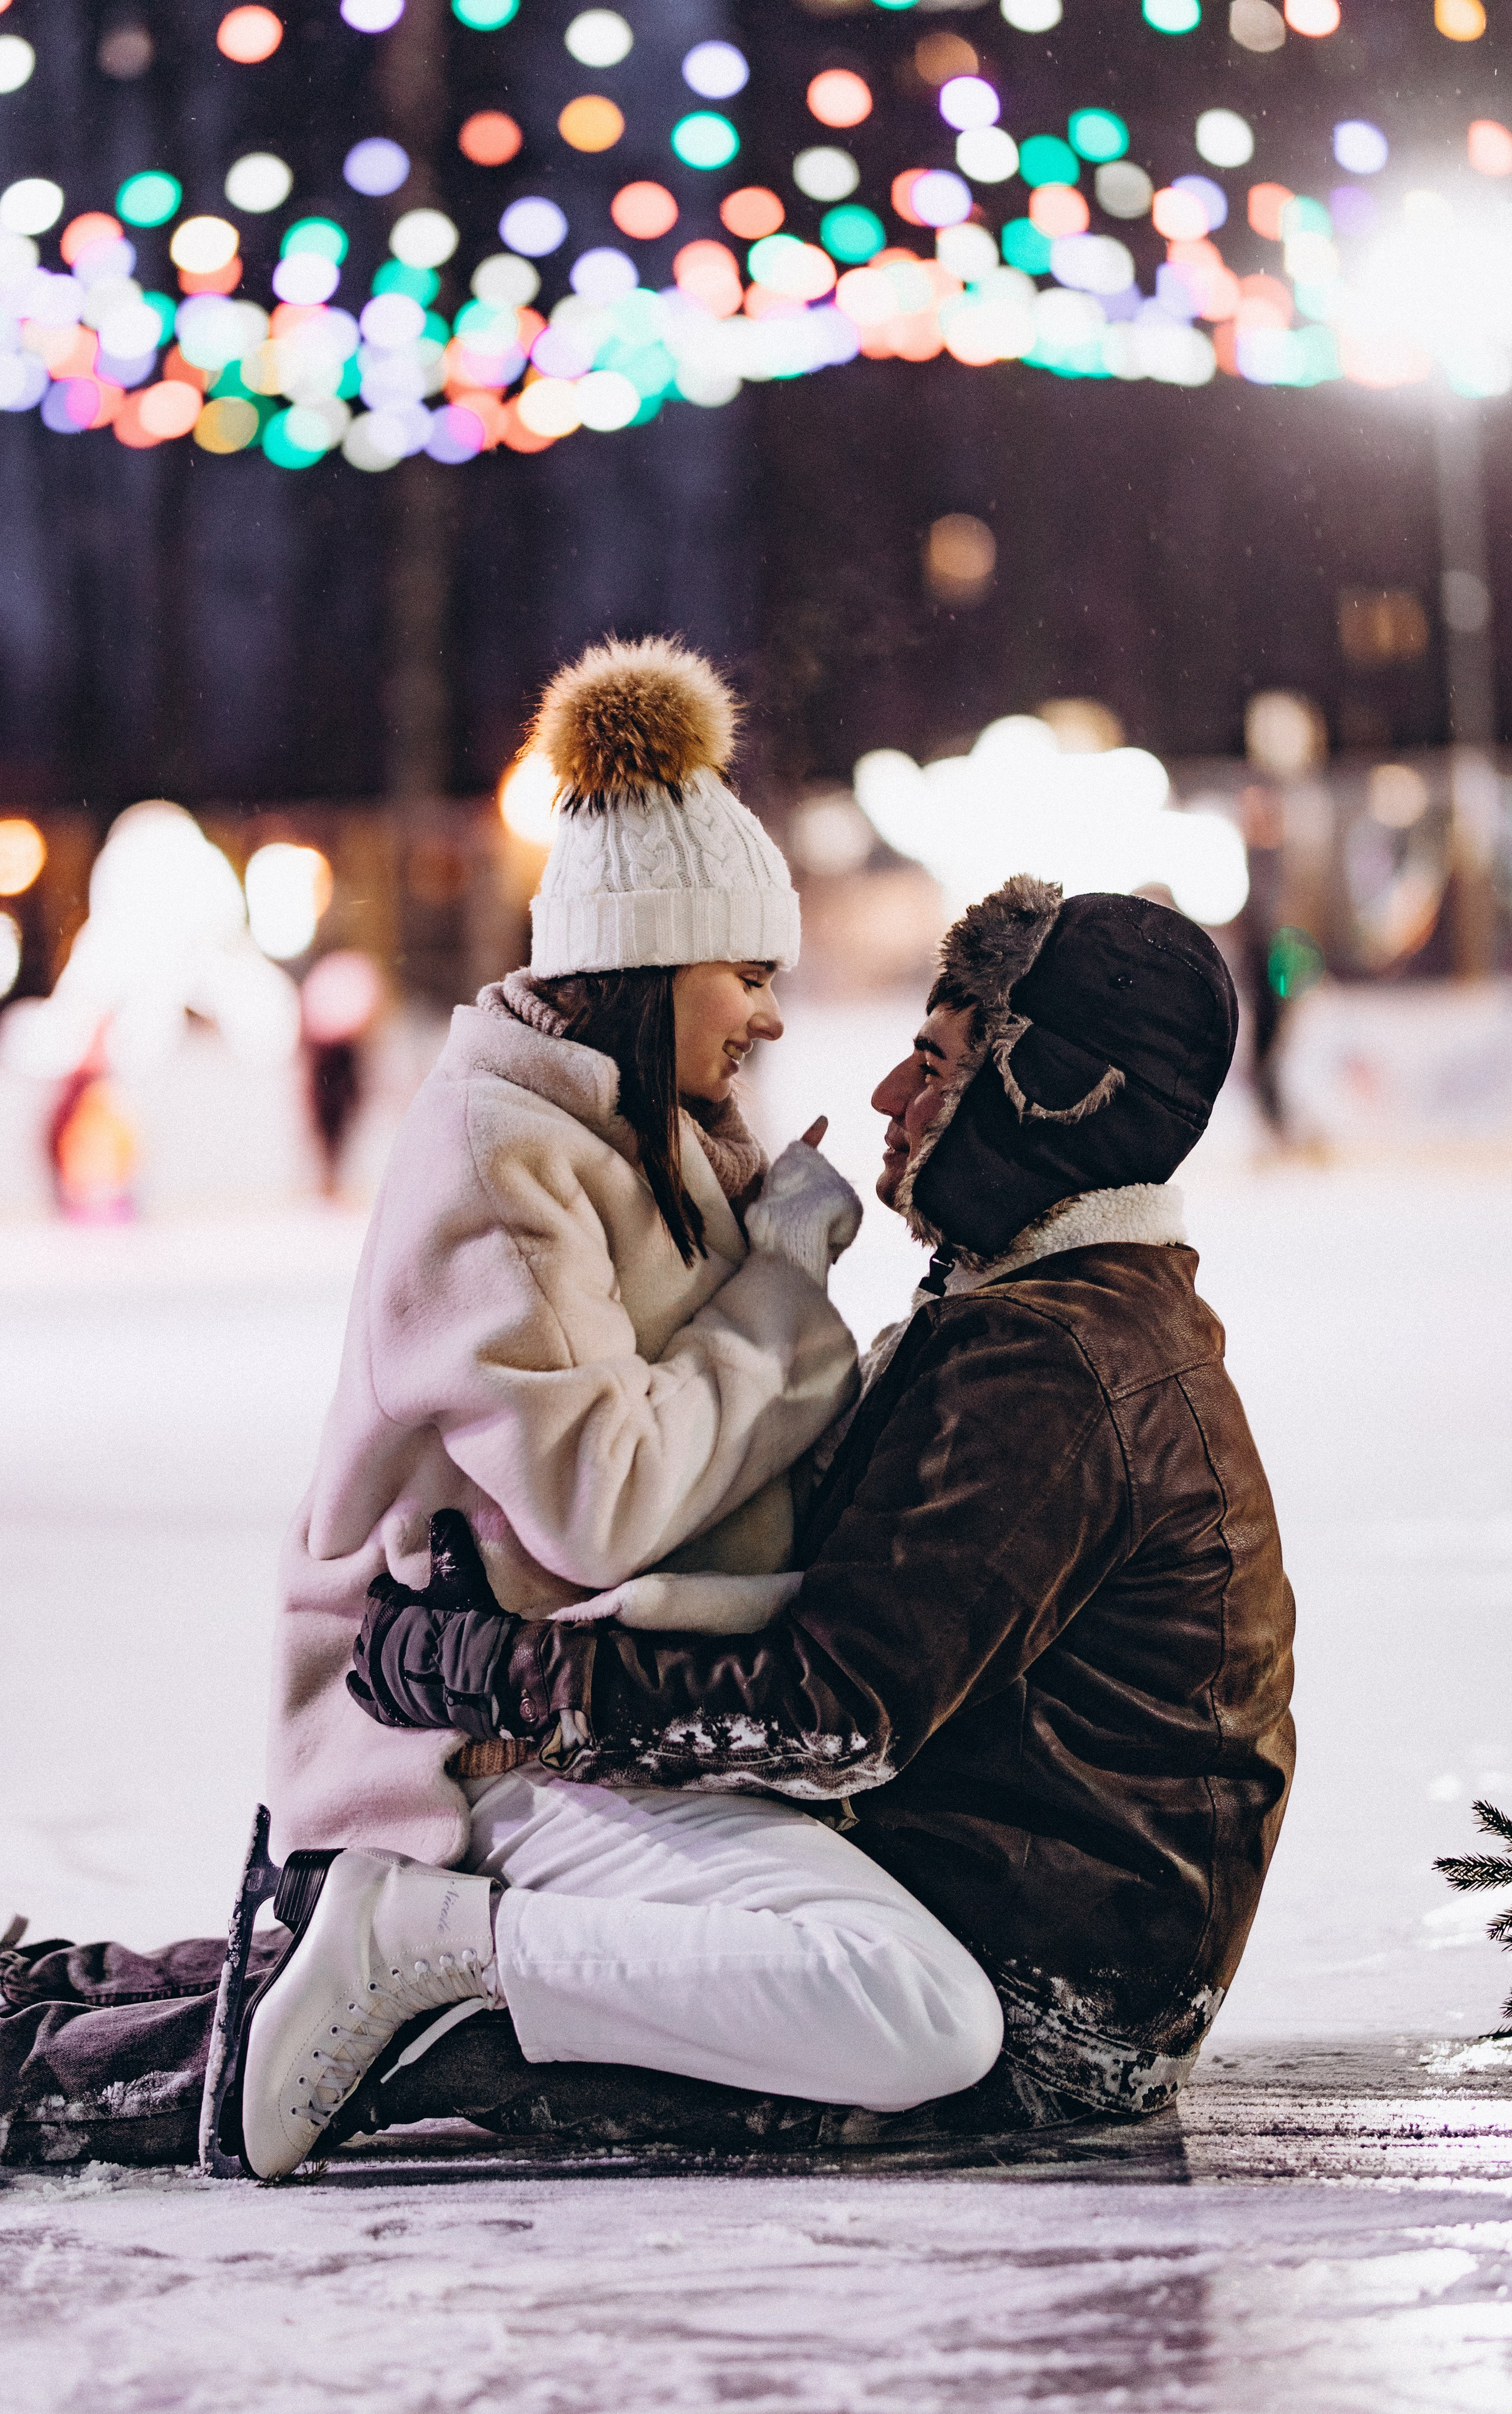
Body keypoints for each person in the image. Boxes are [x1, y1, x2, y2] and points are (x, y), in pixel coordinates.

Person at [236, 873, 1295, 2173]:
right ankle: (131, 2011)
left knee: (487, 2021)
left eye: (935, 1065)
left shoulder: (1048, 1365)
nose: (890, 1104)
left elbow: (827, 1714)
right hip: (1007, 1919)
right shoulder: (1057, 1313)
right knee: (541, 1938)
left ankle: (235, 2020)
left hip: (1031, 1989)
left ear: (1046, 1100)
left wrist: (510, 1675)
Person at [237, 635, 1005, 2179]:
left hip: (624, 1724)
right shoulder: (501, 1162)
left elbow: (737, 1448)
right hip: (483, 1760)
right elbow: (604, 1500)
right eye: (748, 973)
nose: (773, 1018)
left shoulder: (657, 1145)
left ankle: (477, 1973)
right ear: (656, 964)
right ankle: (427, 1937)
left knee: (912, 1976)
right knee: (922, 2008)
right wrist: (784, 1286)